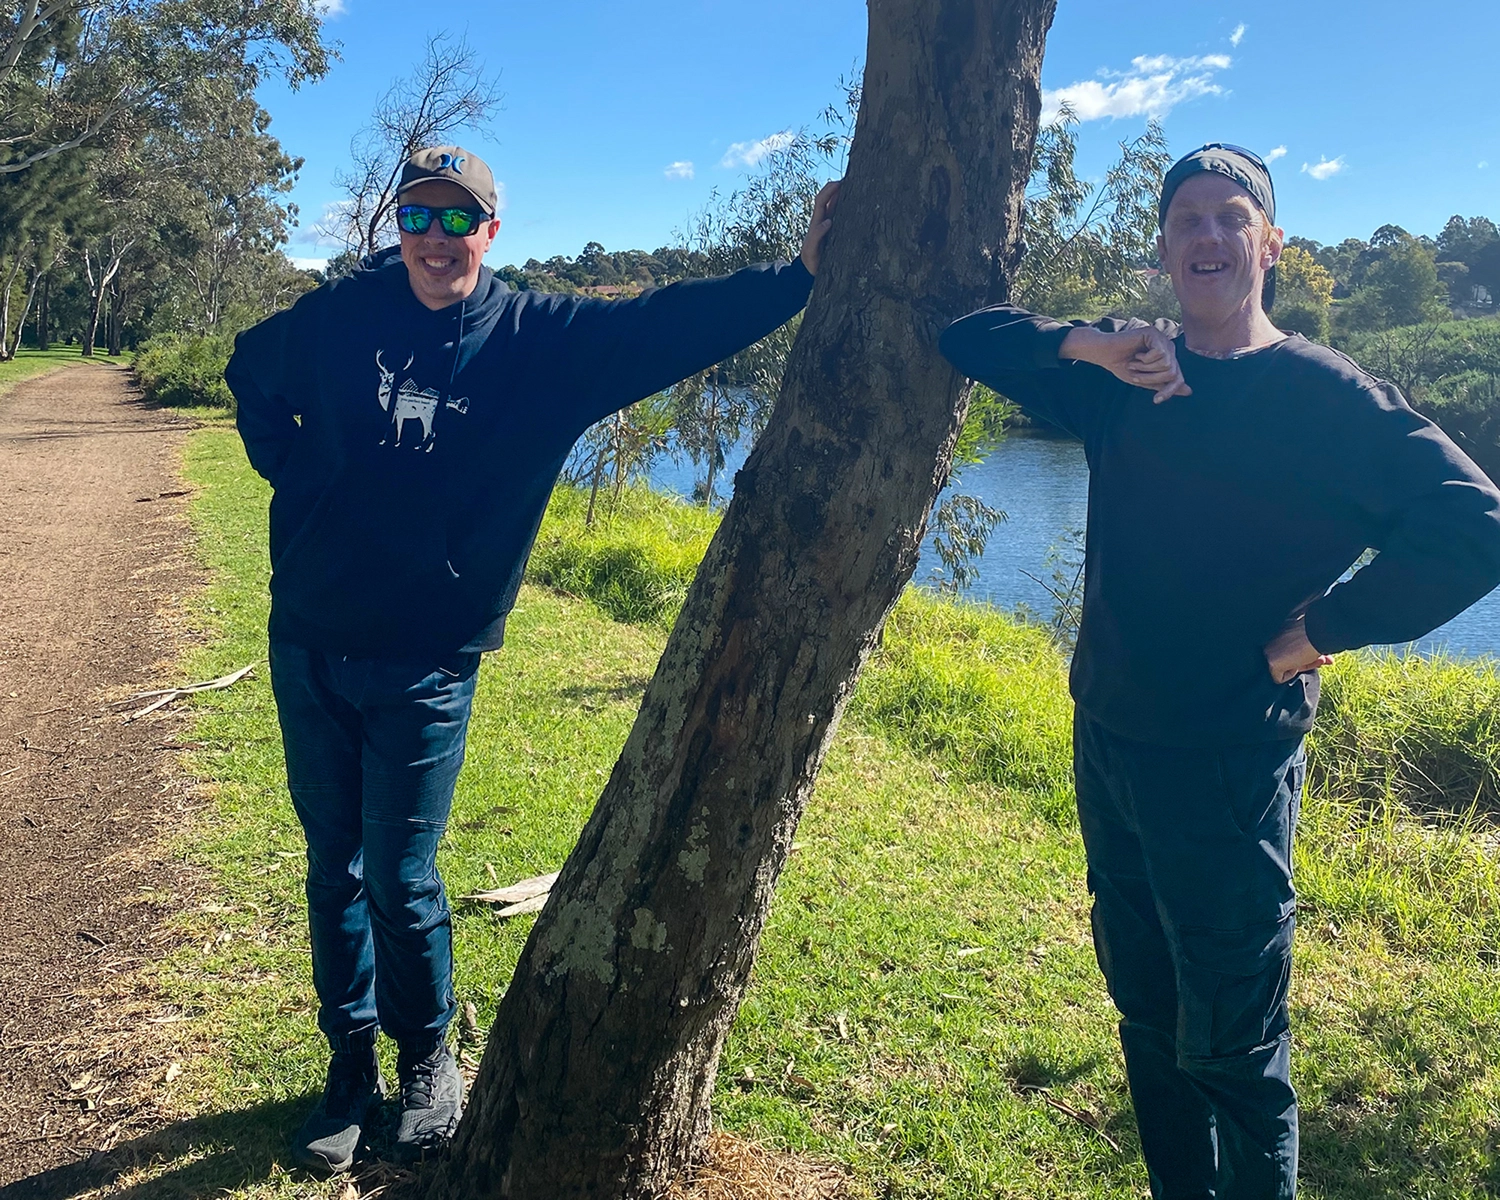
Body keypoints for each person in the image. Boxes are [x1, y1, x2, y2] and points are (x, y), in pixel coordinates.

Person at [226, 145, 838, 1172]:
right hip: (312, 642)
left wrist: (796, 279)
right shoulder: (339, 316)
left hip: (427, 660)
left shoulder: (536, 343)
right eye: (417, 218)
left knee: (401, 879)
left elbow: (663, 324)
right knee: (333, 869)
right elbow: (252, 369)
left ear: (490, 232)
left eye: (457, 220)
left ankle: (427, 1058)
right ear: (397, 227)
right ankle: (349, 1066)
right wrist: (296, 476)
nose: (435, 240)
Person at [939, 144, 1500, 1198]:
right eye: (1185, 219)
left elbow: (1477, 527)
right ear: (1162, 250)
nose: (1206, 235)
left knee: (1235, 1053)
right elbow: (962, 336)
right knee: (1148, 1021)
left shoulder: (1326, 397)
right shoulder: (1127, 379)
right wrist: (1094, 345)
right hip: (1110, 747)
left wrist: (1323, 627)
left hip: (1230, 769)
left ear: (1270, 244)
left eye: (1230, 217)